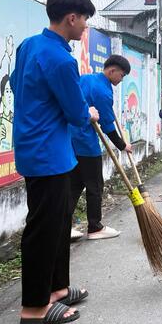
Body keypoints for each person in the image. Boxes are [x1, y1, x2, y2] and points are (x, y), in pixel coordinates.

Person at [11, 0, 99, 324]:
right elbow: (76, 113)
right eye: (84, 20)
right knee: (44, 228)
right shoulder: (62, 60)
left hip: (44, 149)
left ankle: (57, 288)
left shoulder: (30, 45)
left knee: (60, 223)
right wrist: (89, 112)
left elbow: (17, 85)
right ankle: (34, 306)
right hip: (47, 153)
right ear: (71, 18)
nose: (85, 28)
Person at [68, 54, 131, 241]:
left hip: (70, 140)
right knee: (95, 185)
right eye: (121, 75)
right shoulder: (103, 91)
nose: (122, 79)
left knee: (75, 185)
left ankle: (64, 226)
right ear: (112, 71)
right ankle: (95, 227)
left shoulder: (87, 78)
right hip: (86, 143)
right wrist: (122, 145)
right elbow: (108, 126)